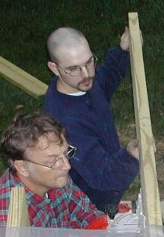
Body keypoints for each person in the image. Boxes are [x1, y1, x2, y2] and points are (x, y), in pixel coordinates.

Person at [43, 26, 140, 217]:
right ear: (54, 68)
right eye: (73, 69)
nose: (86, 74)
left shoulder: (81, 83)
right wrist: (131, 156)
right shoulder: (65, 123)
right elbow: (103, 177)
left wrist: (123, 51)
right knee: (100, 232)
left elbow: (104, 81)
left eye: (89, 62)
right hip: (90, 199)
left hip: (104, 176)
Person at [0, 112, 107, 230]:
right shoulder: (4, 225)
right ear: (22, 168)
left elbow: (86, 213)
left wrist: (105, 229)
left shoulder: (53, 175)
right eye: (52, 161)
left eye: (66, 154)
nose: (66, 166)